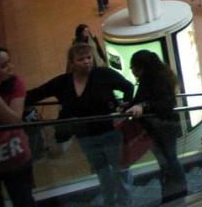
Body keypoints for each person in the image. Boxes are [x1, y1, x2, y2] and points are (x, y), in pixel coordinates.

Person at [27, 44, 134, 207]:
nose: (86, 62)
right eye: (81, 59)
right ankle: (111, 202)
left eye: (89, 58)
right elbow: (37, 93)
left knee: (119, 169)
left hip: (111, 133)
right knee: (102, 172)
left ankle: (125, 202)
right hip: (86, 137)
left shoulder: (103, 74)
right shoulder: (63, 82)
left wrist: (123, 110)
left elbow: (128, 86)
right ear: (72, 62)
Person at [125, 50, 187, 203]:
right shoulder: (155, 77)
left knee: (169, 158)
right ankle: (174, 187)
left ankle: (178, 188)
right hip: (160, 126)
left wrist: (143, 106)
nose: (132, 70)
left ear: (143, 67)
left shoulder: (156, 80)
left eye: (133, 67)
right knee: (166, 157)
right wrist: (134, 105)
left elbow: (165, 103)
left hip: (163, 126)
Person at [0, 46, 35, 207]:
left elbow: (14, 120)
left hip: (17, 160)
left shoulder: (16, 84)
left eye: (9, 62)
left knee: (24, 201)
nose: (10, 68)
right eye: (3, 66)